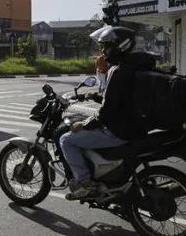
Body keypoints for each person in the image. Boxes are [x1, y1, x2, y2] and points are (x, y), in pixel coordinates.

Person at [59, 25, 156, 200]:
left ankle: (86, 183)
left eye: (107, 46)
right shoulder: (137, 66)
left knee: (66, 140)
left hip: (119, 131)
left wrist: (85, 124)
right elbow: (120, 99)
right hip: (137, 127)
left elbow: (107, 110)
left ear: (121, 46)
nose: (103, 51)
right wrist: (94, 96)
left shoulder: (117, 71)